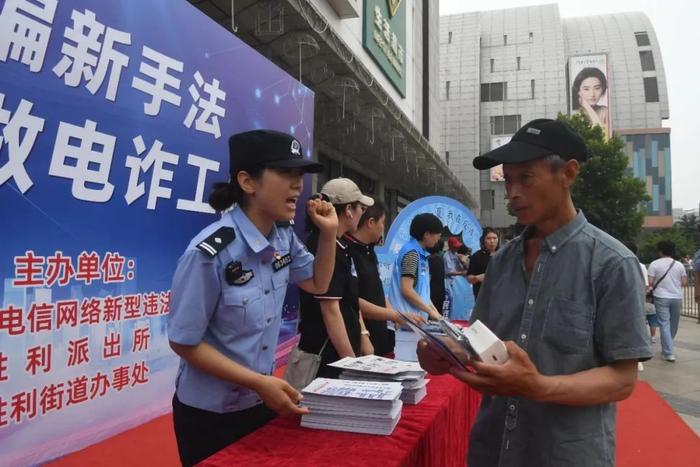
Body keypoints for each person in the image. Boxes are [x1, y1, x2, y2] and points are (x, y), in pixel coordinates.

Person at [417, 118, 651, 467]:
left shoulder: (612, 264)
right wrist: (446, 353)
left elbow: (622, 379)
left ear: (568, 173)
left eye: (525, 178)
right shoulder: (502, 262)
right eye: (508, 180)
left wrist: (537, 386)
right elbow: (482, 345)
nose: (512, 192)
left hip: (566, 455)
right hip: (492, 450)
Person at [167, 129, 338, 466]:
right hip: (208, 415)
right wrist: (259, 383)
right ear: (248, 182)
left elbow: (318, 283)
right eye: (286, 173)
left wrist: (329, 234)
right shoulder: (209, 253)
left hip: (259, 402)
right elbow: (184, 341)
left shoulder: (282, 238)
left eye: (300, 175)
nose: (298, 185)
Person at [297, 178, 375, 378]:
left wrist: (363, 335)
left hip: (342, 352)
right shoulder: (323, 246)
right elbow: (330, 310)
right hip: (326, 356)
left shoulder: (342, 246)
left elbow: (350, 300)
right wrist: (352, 365)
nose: (362, 214)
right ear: (348, 210)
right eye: (361, 208)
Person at [344, 199, 427, 357]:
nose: (383, 228)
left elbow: (378, 291)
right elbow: (352, 301)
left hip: (380, 330)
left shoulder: (369, 251)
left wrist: (392, 313)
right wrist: (396, 316)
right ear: (371, 222)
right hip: (362, 334)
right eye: (382, 223)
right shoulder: (348, 252)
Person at [388, 213, 444, 322]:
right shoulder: (412, 253)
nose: (438, 238)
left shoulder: (421, 254)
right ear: (426, 234)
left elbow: (424, 295)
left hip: (415, 321)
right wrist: (430, 312)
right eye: (437, 234)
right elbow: (407, 290)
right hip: (405, 321)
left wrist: (437, 315)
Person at [648, 240, 688, 362]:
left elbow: (650, 282)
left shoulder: (654, 264)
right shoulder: (679, 265)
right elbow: (684, 282)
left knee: (664, 323)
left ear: (660, 251)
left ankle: (668, 352)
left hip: (661, 297)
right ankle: (668, 348)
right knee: (674, 324)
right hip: (676, 297)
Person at [571, 67, 609, 137]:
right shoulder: (576, 114)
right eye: (586, 89)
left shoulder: (605, 111)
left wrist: (587, 106)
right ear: (578, 91)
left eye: (597, 88)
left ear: (603, 88)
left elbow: (603, 136)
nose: (592, 94)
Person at [444, 236, 473, 320]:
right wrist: (461, 273)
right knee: (452, 302)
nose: (456, 248)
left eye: (457, 246)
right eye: (454, 247)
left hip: (458, 283)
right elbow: (448, 272)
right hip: (450, 283)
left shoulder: (456, 255)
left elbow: (463, 267)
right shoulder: (447, 256)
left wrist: (462, 261)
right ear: (450, 246)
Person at [466, 227, 499, 299]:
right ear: (483, 240)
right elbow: (469, 278)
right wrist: (477, 278)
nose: (492, 241)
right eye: (489, 238)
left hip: (500, 296)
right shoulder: (476, 257)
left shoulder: (503, 254)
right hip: (482, 297)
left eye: (495, 238)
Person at [428, 239, 447, 315]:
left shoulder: (428, 260)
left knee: (432, 314)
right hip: (441, 291)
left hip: (432, 292)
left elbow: (429, 277)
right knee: (439, 312)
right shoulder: (440, 259)